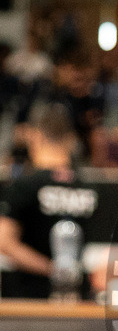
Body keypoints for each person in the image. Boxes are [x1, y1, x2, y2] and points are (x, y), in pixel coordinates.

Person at [0, 103, 98, 299]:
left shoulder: (24, 186)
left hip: (28, 298)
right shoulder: (88, 189)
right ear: (71, 140)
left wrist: (52, 270)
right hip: (76, 297)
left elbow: (4, 241)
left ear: (34, 136)